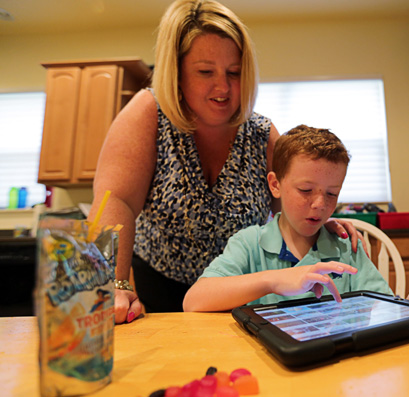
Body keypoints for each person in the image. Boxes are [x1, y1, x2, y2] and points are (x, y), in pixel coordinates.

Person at [88, 0, 360, 324]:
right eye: (205, 72)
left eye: (234, 72)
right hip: (159, 288)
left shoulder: (260, 133)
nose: (223, 87)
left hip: (239, 292)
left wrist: (317, 217)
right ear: (177, 72)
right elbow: (114, 201)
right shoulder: (149, 114)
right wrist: (113, 284)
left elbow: (293, 198)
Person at [184, 126, 409, 325]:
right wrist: (275, 280)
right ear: (275, 185)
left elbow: (384, 312)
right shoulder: (250, 243)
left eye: (331, 193)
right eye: (305, 191)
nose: (319, 205)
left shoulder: (345, 247)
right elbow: (194, 301)